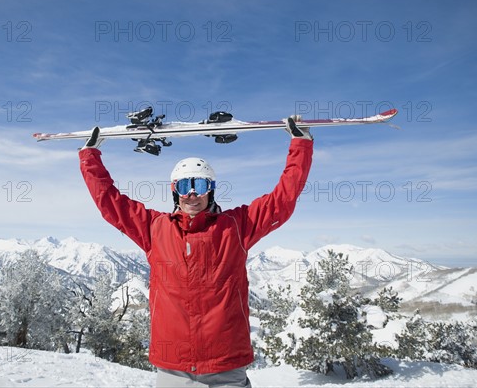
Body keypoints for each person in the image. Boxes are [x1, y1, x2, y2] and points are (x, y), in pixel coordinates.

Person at [79, 116, 313, 387]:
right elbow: (110, 202)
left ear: (211, 190)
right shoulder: (154, 229)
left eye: (200, 185)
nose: (192, 194)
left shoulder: (237, 226)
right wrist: (89, 156)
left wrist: (301, 145)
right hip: (173, 367)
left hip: (226, 363)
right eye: (184, 186)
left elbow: (282, 200)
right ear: (174, 191)